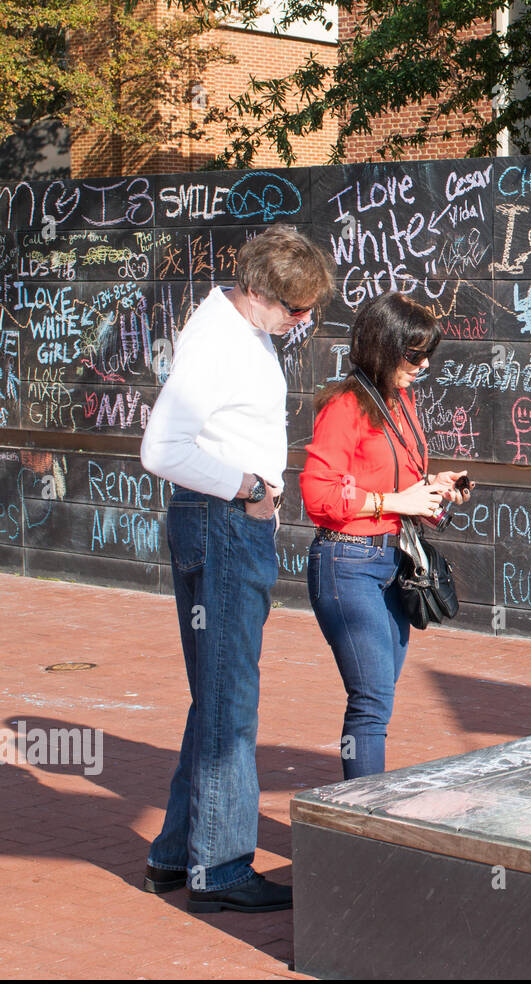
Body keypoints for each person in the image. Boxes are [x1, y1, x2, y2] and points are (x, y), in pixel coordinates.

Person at [139, 224, 333, 913]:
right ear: (258, 291)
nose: (302, 322)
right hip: (224, 522)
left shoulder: (233, 323)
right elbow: (160, 448)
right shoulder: (222, 342)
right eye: (294, 310)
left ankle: (175, 852)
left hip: (220, 520)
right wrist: (247, 487)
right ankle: (219, 867)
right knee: (231, 702)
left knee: (217, 693)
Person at [300, 292, 470, 781]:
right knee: (371, 699)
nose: (422, 364)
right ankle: (363, 815)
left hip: (390, 563)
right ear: (383, 346)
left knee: (380, 697)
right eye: (413, 354)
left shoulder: (399, 402)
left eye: (427, 354)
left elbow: (399, 482)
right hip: (346, 563)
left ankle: (362, 813)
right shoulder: (345, 406)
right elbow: (318, 495)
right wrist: (397, 502)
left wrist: (434, 488)